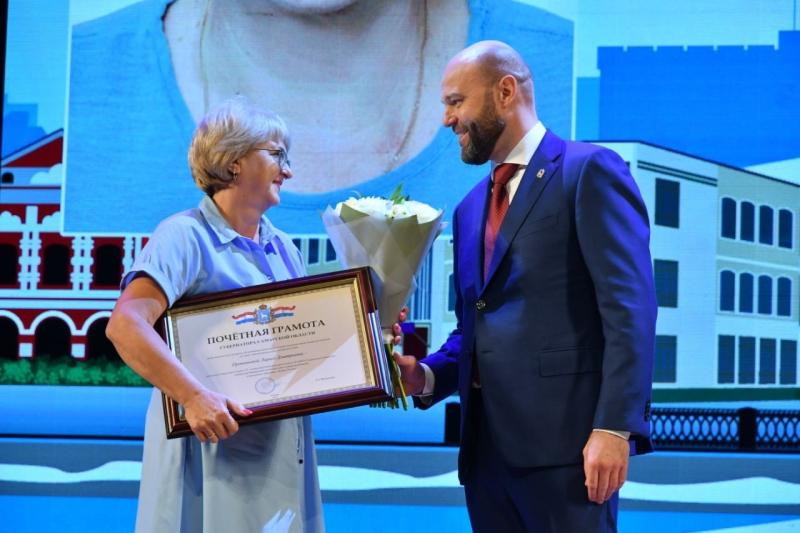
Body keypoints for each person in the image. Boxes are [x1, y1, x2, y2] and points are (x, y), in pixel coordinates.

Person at [394, 41, 656, 532]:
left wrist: (614, 427)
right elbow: (474, 328)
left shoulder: (589, 171)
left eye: (456, 102)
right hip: (485, 461)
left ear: (505, 91)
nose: (447, 120)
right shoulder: (469, 208)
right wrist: (424, 376)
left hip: (570, 457)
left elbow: (630, 311)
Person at [106, 98, 324, 532]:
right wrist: (192, 397)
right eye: (277, 155)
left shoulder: (284, 249)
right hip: (209, 451)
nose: (288, 171)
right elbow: (125, 325)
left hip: (280, 450)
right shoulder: (184, 235)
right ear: (234, 160)